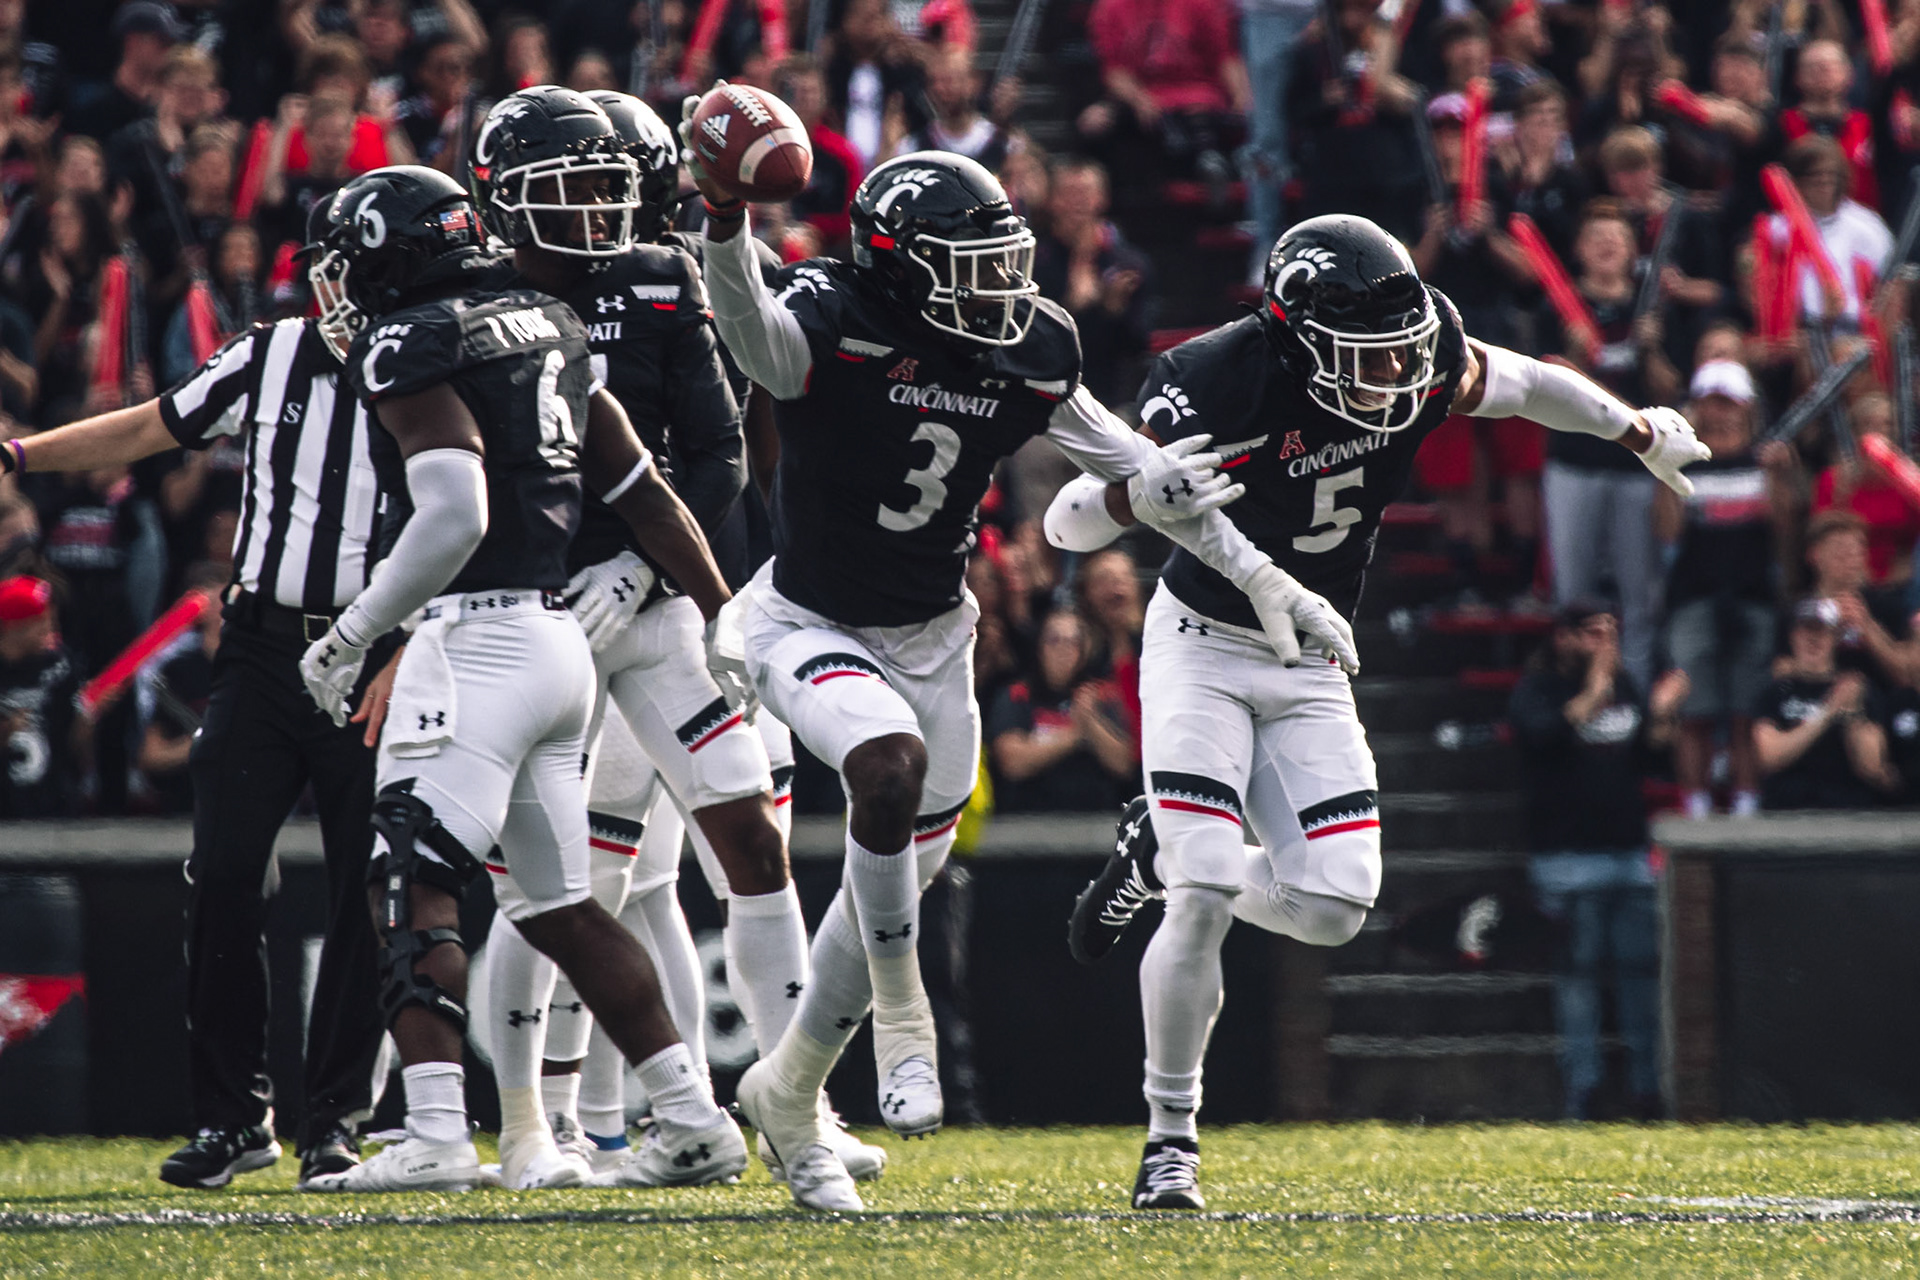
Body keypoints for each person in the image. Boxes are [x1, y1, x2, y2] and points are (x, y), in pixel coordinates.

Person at [1052, 213, 1709, 1208]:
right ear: (1293, 337)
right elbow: (1066, 521)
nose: (1394, 373)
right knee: (1203, 890)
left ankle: (1156, 856)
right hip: (1203, 643)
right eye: (1367, 353)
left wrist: (1636, 429)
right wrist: (1138, 495)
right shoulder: (1215, 378)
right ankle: (1171, 1137)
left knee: (1333, 905)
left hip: (1313, 653)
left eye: (1403, 349)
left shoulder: (1423, 348)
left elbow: (1527, 382)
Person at [689, 143, 1258, 1210]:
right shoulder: (835, 309)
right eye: (971, 264)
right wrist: (725, 221)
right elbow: (756, 343)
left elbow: (1114, 452)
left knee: (896, 872)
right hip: (805, 617)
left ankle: (788, 1090)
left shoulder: (1025, 343)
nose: (999, 285)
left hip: (936, 636)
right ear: (899, 266)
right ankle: (903, 1012)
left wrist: (1197, 506)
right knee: (886, 769)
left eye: (1005, 259)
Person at [292, 164, 745, 1192]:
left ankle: (437, 1133)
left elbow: (456, 514)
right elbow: (648, 494)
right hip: (556, 646)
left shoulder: (410, 340)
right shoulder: (548, 321)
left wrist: (355, 632)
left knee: (408, 876)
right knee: (559, 907)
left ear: (392, 256)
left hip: (476, 644)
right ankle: (691, 1116)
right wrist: (723, 611)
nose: (340, 286)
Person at [0, 205, 398, 1189]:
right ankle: (233, 1117)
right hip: (262, 645)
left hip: (375, 646)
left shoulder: (430, 361)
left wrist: (411, 644)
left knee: (365, 884)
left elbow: (468, 514)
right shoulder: (271, 353)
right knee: (222, 873)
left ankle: (336, 1119)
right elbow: (153, 424)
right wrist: (21, 454)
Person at [466, 86, 808, 1191]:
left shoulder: (664, 274)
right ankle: (533, 1125)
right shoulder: (472, 298)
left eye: (609, 186)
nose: (599, 212)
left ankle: (796, 1107)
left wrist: (654, 571)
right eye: (570, 190)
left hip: (657, 603)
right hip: (532, 611)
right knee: (553, 886)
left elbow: (718, 453)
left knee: (747, 838)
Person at [1509, 599, 1685, 1118]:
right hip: (1567, 861)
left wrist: (1663, 715)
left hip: (1629, 855)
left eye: (1611, 632)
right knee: (1579, 982)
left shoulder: (1624, 687)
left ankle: (1648, 1090)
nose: (1606, 643)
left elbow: (1651, 758)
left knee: (1642, 978)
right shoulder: (1539, 689)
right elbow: (1544, 737)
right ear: (1563, 638)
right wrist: (1595, 688)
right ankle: (1582, 1092)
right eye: (1593, 633)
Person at [1655, 359, 1794, 818]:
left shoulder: (1766, 458)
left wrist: (1779, 476)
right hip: (1695, 599)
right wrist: (1666, 469)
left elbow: (1785, 529)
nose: (1721, 414)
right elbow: (1668, 532)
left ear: (1747, 407)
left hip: (1753, 598)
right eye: (1711, 404)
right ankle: (1696, 807)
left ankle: (1746, 806)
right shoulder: (1686, 464)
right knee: (1694, 712)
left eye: (1729, 404)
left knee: (1746, 712)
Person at [1755, 597, 1903, 809]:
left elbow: (1871, 766)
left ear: (1835, 638)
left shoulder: (1860, 689)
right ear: (1793, 636)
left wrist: (1853, 713)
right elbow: (1770, 756)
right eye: (1806, 630)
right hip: (1787, 807)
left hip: (1845, 808)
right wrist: (1828, 711)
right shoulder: (1776, 692)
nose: (1813, 639)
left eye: (1821, 632)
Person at [986, 607, 1136, 811]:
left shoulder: (1100, 695)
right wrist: (1075, 734)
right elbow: (1012, 762)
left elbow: (1124, 765)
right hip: (1028, 817)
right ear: (1039, 647)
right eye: (1054, 640)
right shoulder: (1016, 695)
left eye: (1072, 642)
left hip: (1094, 817)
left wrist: (1091, 723)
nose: (1063, 649)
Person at [0, 574, 94, 819]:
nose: (50, 628)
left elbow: (75, 744)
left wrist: (87, 719)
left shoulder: (60, 665)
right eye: (40, 621)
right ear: (13, 627)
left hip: (53, 803)